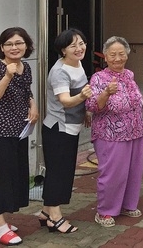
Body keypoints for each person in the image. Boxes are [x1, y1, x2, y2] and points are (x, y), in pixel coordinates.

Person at [0, 27, 39, 246]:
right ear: (1, 47)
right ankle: (0, 228)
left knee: (13, 177)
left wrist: (33, 105)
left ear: (26, 45)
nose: (14, 47)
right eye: (9, 44)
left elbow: (27, 91)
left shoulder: (26, 67)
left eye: (19, 43)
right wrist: (7, 75)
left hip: (19, 131)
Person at [87, 36, 143, 227]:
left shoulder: (129, 75)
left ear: (127, 55)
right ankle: (105, 211)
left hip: (135, 132)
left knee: (133, 171)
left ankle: (128, 205)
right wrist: (106, 93)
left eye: (121, 54)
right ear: (105, 56)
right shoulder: (99, 78)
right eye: (113, 55)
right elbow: (92, 106)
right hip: (110, 134)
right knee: (113, 174)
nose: (118, 58)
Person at [40, 29, 92, 234]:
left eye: (81, 43)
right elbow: (65, 101)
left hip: (71, 128)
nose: (79, 48)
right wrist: (83, 97)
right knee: (57, 173)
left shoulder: (77, 64)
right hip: (58, 129)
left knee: (63, 171)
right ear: (63, 50)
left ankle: (46, 212)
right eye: (73, 46)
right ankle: (55, 217)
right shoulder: (60, 71)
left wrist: (85, 110)